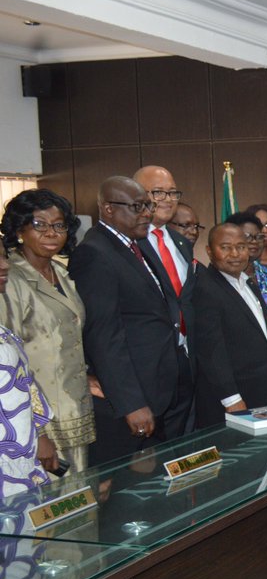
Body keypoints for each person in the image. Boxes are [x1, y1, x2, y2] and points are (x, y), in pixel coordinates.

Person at [69, 176, 192, 464]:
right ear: (108, 209)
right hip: (131, 401)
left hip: (160, 390)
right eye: (137, 207)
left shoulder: (133, 245)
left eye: (148, 206)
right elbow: (103, 335)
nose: (147, 214)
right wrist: (131, 404)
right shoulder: (95, 253)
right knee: (132, 494)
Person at [0, 190, 93, 470]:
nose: (52, 233)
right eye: (40, 225)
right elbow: (9, 364)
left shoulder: (61, 272)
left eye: (59, 225)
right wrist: (36, 431)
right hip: (39, 417)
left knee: (77, 498)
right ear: (19, 230)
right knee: (50, 504)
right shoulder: (9, 278)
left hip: (74, 407)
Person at [191, 223, 267, 426]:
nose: (235, 253)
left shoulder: (248, 283)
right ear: (209, 251)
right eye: (226, 247)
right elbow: (210, 349)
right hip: (234, 402)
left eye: (241, 246)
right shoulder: (206, 288)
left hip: (263, 394)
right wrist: (232, 398)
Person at [0, 250, 57, 498]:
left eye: (4, 256)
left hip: (22, 459)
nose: (5, 265)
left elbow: (24, 383)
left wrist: (39, 434)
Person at [133, 165, 194, 347]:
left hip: (185, 353)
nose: (168, 200)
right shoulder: (130, 242)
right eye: (158, 192)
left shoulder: (181, 243)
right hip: (148, 353)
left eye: (173, 193)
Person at [228, 211, 267, 371]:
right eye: (247, 236)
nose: (254, 242)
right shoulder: (225, 279)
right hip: (242, 369)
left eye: (258, 237)